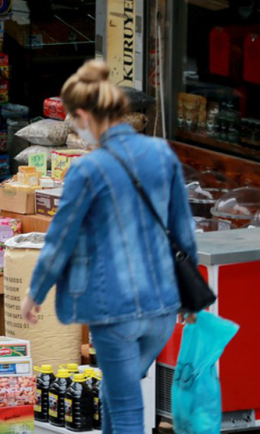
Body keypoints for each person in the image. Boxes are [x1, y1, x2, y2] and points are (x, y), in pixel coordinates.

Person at [21, 60, 195, 434]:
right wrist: (191, 298)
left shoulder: (88, 168)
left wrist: (35, 292)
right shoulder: (162, 154)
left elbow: (60, 239)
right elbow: (183, 229)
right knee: (117, 392)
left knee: (127, 405)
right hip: (162, 307)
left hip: (115, 307)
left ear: (86, 116)